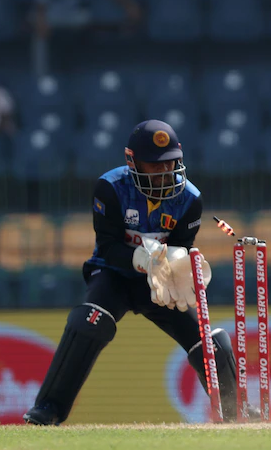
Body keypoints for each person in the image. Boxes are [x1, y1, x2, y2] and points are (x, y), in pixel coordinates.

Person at [24, 120, 245, 425]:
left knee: (206, 340)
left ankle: (235, 414)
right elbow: (108, 245)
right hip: (113, 274)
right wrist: (141, 258)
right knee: (89, 322)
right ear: (133, 162)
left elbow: (180, 247)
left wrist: (178, 262)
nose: (165, 173)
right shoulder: (111, 188)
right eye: (154, 166)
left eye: (170, 164)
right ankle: (47, 409)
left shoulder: (190, 200)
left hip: (160, 283)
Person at [32, 0, 141, 76]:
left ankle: (100, 71)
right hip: (53, 15)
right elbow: (41, 3)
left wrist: (128, 5)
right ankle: (41, 74)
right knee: (38, 24)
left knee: (95, 18)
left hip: (77, 16)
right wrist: (42, 20)